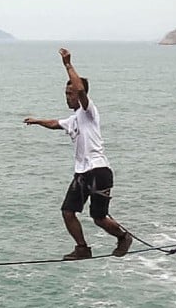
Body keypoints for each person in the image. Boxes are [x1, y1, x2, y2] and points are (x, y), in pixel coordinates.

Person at [24, 47, 133, 261]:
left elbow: (81, 90)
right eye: (66, 94)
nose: (68, 97)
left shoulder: (89, 112)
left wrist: (67, 64)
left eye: (70, 94)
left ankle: (123, 237)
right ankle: (82, 248)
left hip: (99, 171)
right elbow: (56, 123)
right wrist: (37, 121)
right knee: (67, 211)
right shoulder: (73, 119)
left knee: (99, 218)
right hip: (82, 174)